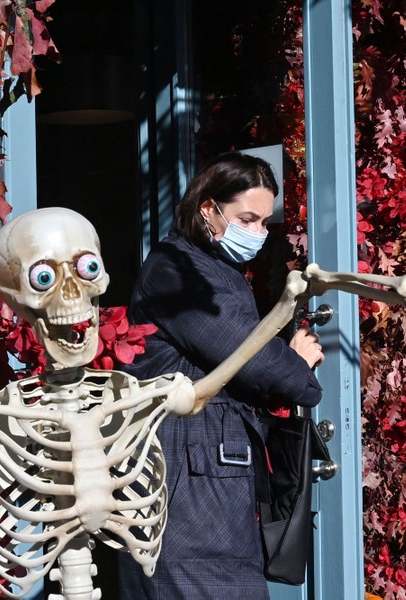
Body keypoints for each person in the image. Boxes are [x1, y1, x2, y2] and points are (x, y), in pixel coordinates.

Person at [119, 153, 324, 599]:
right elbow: (246, 353)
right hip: (187, 499)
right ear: (208, 209)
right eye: (246, 218)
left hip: (205, 493)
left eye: (265, 222)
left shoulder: (206, 268)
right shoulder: (177, 270)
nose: (257, 234)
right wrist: (298, 367)